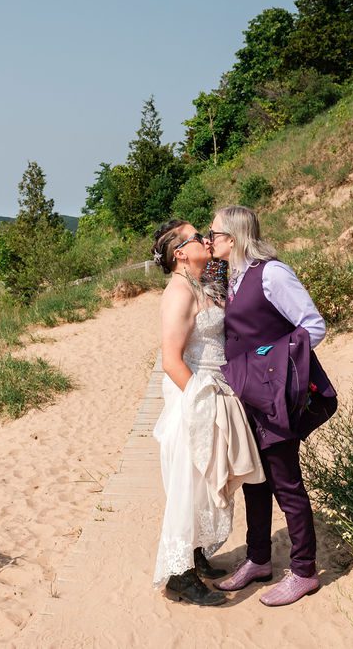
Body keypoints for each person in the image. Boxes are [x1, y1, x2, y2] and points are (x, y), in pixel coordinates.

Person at [206, 205, 327, 607]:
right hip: (247, 399)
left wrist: (268, 358)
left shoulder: (272, 273)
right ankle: (258, 559)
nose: (211, 241)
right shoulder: (233, 277)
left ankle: (305, 571)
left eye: (216, 235)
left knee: (287, 484)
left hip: (274, 398)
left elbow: (313, 325)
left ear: (236, 236)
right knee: (255, 483)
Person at [149, 219, 265, 606]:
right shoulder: (179, 292)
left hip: (216, 388)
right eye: (199, 237)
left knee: (204, 477)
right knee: (190, 481)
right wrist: (203, 401)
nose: (206, 240)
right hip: (195, 395)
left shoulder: (202, 282)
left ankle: (195, 554)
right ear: (180, 253)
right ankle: (178, 576)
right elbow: (171, 360)